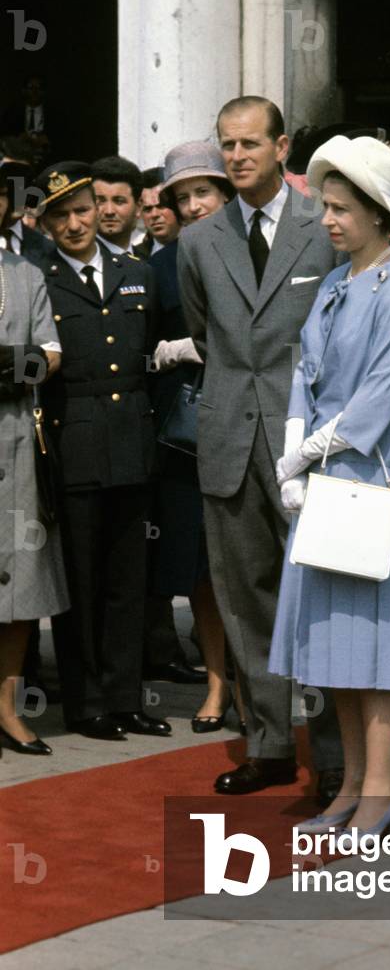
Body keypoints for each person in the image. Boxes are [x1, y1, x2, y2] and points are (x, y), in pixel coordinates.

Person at [178, 95, 344, 800]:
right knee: (246, 599)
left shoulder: (325, 226)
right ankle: (269, 744)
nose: (236, 156)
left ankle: (337, 755)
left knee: (325, 596)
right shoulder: (197, 240)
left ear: (282, 149)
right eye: (227, 145)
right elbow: (208, 335)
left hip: (309, 442)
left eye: (250, 144)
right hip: (228, 439)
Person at [268, 134, 390, 835]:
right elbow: (303, 371)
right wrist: (293, 457)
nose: (329, 220)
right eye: (325, 207)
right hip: (325, 482)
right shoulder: (334, 285)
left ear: (376, 211)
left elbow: (378, 400)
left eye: (340, 209)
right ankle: (348, 791)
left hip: (375, 481)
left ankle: (381, 788)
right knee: (334, 644)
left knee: (375, 645)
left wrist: (307, 450)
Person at [35, 162, 170, 741]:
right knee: (82, 582)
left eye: (82, 209)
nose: (75, 223)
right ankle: (87, 704)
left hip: (132, 440)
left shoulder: (136, 273)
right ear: (44, 223)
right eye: (60, 215)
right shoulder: (37, 279)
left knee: (127, 578)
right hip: (75, 443)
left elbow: (154, 361)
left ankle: (125, 697)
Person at [147, 141, 241, 729]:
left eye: (202, 191)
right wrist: (162, 354)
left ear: (226, 193)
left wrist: (201, 347)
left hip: (253, 427)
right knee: (203, 570)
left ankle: (262, 684)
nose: (193, 205)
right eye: (182, 198)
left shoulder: (257, 250)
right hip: (185, 438)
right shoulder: (157, 266)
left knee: (253, 566)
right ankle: (215, 684)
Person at [0, 252, 69, 755]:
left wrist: (13, 364)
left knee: (20, 581)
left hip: (19, 438)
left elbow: (50, 353)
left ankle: (6, 708)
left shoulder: (25, 274)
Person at [91, 155, 143, 255]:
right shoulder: (81, 262)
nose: (109, 211)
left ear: (138, 207)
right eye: (100, 201)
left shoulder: (147, 264)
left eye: (119, 201)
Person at [136, 167, 180, 259]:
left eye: (161, 206)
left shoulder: (198, 246)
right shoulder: (134, 258)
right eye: (147, 209)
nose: (154, 214)